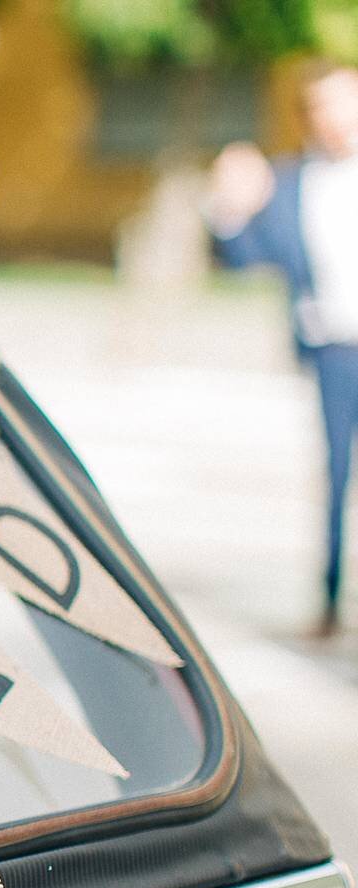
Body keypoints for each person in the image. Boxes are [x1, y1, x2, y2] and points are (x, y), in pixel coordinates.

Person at [208, 63, 358, 636]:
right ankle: (331, 602)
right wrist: (226, 205)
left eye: (343, 103)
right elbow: (245, 257)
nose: (334, 117)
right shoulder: (288, 183)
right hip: (333, 352)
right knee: (337, 476)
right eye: (322, 106)